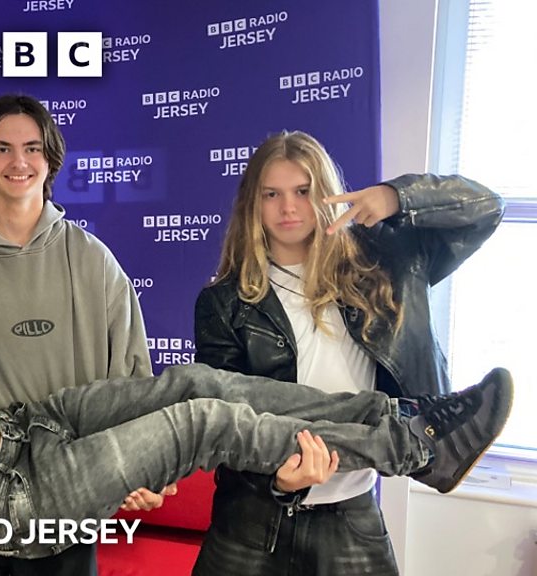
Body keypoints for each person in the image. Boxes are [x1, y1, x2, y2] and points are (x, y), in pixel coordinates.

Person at [0, 169, 513, 563]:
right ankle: (413, 448)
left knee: (190, 383)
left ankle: (404, 420)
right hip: (10, 500)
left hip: (24, 432)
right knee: (201, 420)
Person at [191, 130, 506, 575]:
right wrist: (277, 479)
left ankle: (417, 438)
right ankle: (416, 441)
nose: (288, 207)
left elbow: (487, 208)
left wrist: (399, 196)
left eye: (303, 191)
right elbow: (225, 419)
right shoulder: (224, 302)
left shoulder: (384, 262)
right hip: (252, 516)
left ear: (326, 194)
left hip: (350, 515)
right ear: (252, 205)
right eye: (271, 194)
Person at [0, 93, 159, 575]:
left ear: (50, 160)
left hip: (69, 491)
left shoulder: (93, 259)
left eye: (32, 148)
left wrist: (139, 461)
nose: (18, 162)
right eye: (2, 149)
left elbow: (132, 376)